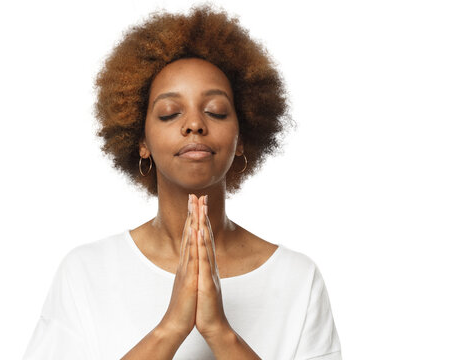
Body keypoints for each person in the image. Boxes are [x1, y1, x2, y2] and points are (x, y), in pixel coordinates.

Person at [23, 5, 342, 360]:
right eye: (170, 113)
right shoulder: (85, 273)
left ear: (242, 138)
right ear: (140, 140)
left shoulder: (298, 279)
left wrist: (220, 332)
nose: (194, 124)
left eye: (216, 111)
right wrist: (171, 328)